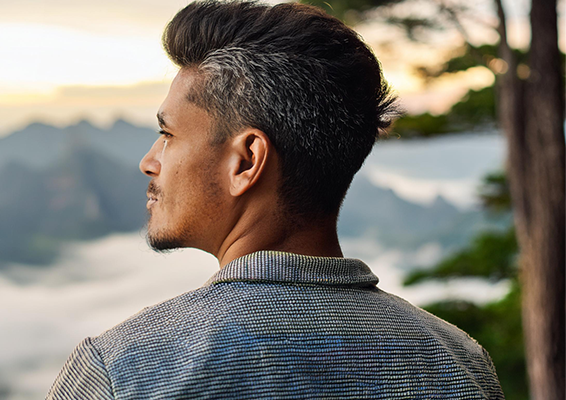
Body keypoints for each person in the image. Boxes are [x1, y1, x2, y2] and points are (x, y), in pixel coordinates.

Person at [47, 1, 505, 398]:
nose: (149, 161)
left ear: (246, 161)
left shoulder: (122, 371)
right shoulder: (460, 365)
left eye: (167, 134)